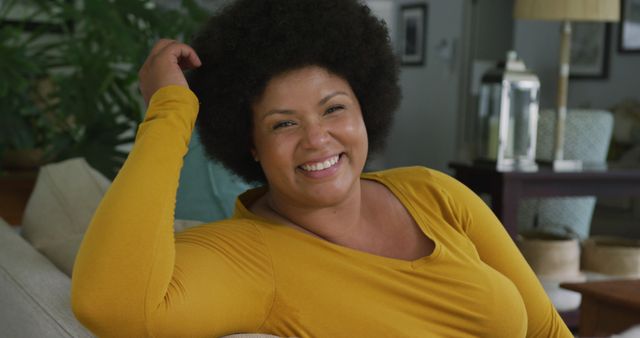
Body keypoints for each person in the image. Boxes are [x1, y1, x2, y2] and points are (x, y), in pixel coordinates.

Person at [71, 0, 572, 337]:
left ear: (366, 108)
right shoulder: (252, 257)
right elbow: (111, 302)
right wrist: (169, 110)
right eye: (283, 124)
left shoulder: (433, 192)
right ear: (251, 144)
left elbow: (547, 329)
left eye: (334, 109)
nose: (316, 140)